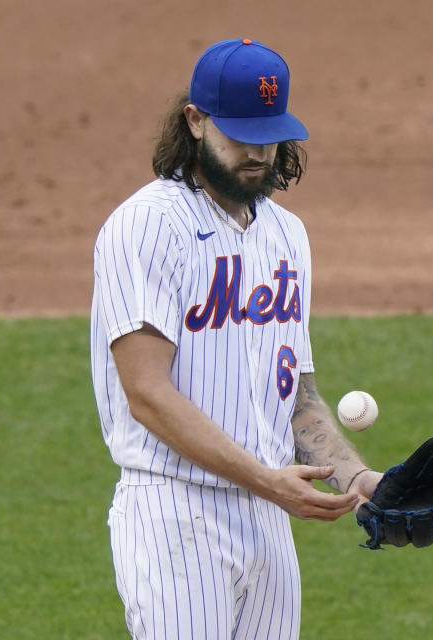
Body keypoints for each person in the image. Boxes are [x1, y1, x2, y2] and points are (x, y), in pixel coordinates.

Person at [89, 38, 383, 640]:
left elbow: (295, 394)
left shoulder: (286, 235)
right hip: (176, 518)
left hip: (268, 517)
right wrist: (265, 479)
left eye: (268, 133)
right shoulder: (147, 226)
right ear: (195, 121)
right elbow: (145, 392)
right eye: (240, 132)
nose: (257, 151)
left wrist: (356, 478)